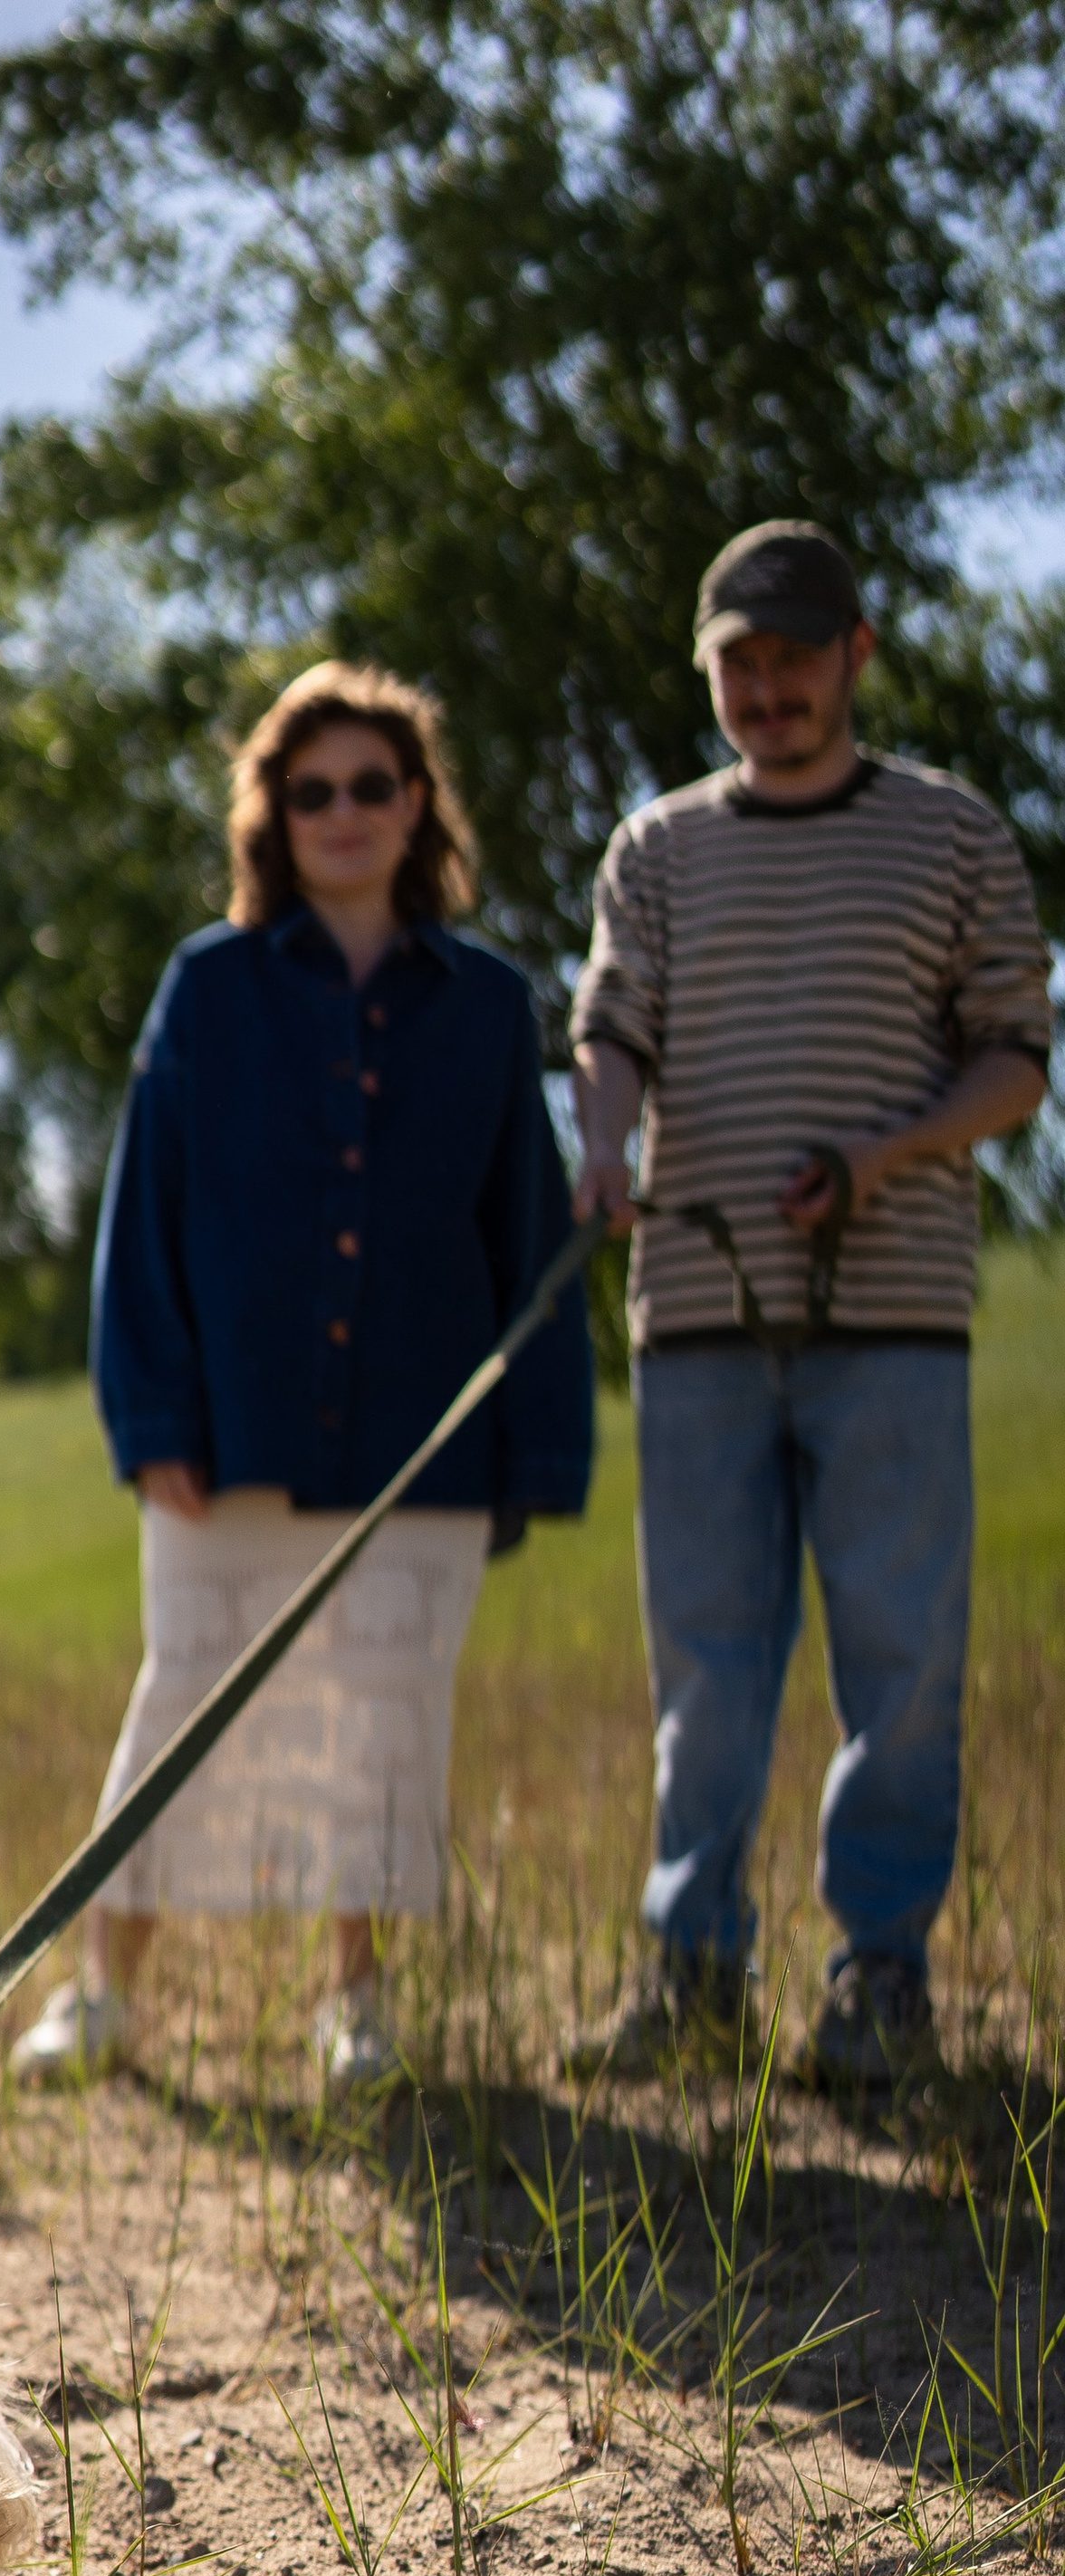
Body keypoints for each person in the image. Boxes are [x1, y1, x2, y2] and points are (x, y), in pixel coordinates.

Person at [12, 661, 594, 2090]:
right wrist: (153, 1412)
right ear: (273, 814)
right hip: (229, 1438)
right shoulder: (207, 989)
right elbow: (140, 1215)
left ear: (417, 808)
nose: (343, 812)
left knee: (388, 1722)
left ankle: (357, 2007)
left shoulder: (490, 1006)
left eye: (372, 787)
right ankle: (102, 1996)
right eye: (310, 788)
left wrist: (532, 1455)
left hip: (421, 1447)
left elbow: (532, 1235)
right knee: (183, 1707)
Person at [565, 521, 1052, 2094]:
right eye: (737, 662)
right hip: (698, 1312)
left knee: (903, 1664)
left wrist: (885, 1151)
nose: (766, 687)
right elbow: (612, 1024)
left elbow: (1017, 1062)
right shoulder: (655, 847)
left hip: (895, 1317)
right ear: (709, 672)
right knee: (706, 1672)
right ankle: (692, 1975)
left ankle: (880, 1981)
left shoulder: (955, 835)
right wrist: (602, 1144)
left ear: (857, 652)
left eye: (793, 655)